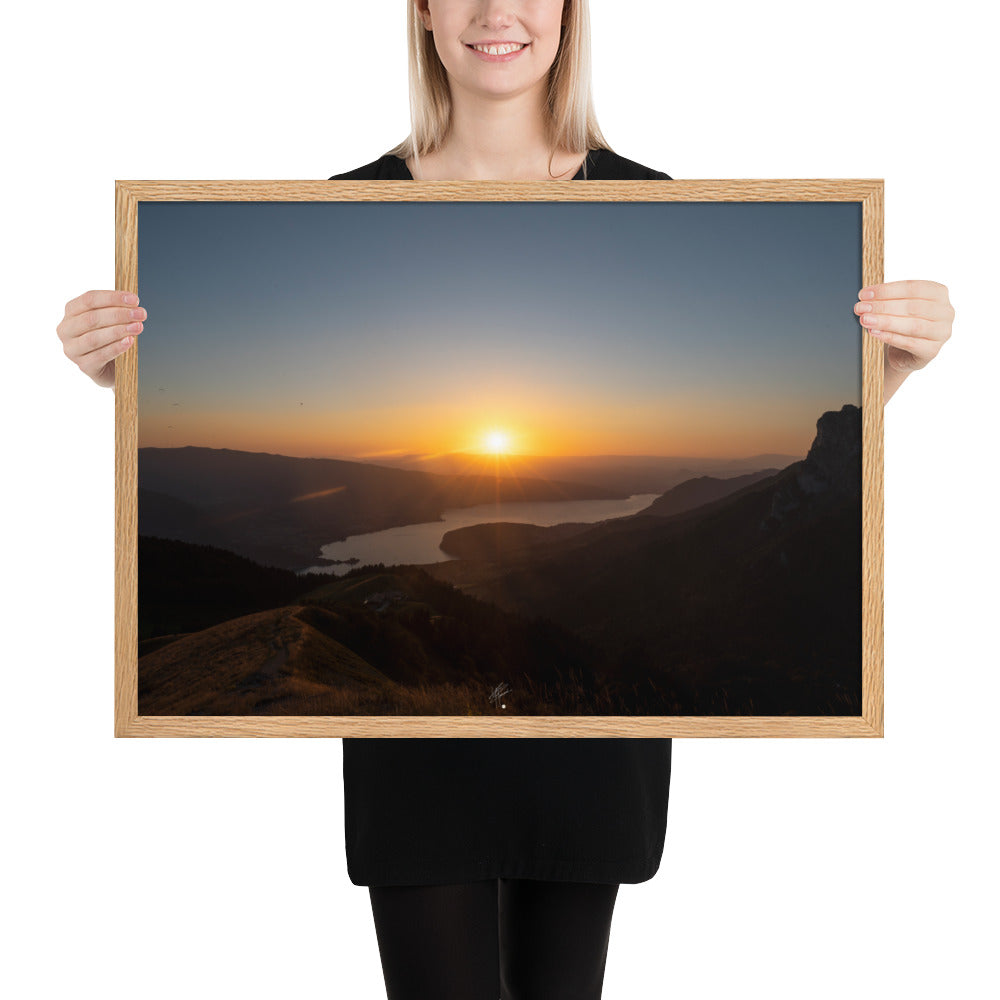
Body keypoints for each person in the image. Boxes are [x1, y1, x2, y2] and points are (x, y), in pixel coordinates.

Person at [55, 2, 954, 997]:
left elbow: (833, 438)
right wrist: (121, 376)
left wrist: (896, 364)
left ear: (570, 13)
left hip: (587, 762)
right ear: (424, 13)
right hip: (416, 764)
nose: (496, 12)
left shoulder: (653, 202)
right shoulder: (342, 204)